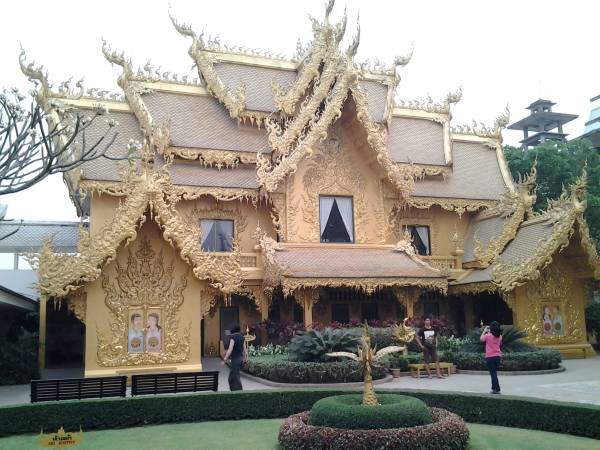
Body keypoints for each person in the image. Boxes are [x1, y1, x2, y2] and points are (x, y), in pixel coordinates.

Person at [222, 325, 247, 391]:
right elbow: (245, 349)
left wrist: (225, 359)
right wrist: (245, 358)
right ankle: (233, 391)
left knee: (236, 378)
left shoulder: (233, 337)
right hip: (240, 359)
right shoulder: (242, 337)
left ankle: (239, 392)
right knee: (231, 378)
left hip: (235, 360)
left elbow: (230, 349)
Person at [480, 321, 503, 394]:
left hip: (490, 357)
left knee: (493, 374)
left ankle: (496, 389)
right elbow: (499, 344)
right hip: (498, 357)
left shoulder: (488, 336)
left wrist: (484, 331)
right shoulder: (500, 337)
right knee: (494, 373)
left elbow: (481, 339)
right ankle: (495, 388)